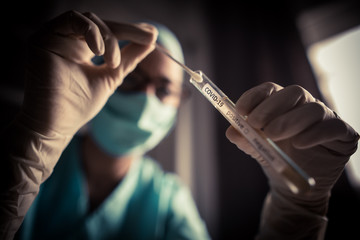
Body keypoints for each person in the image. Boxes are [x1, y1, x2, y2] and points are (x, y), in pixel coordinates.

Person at [0, 10, 358, 240]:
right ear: (97, 84)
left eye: (165, 89)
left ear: (179, 104)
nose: (145, 100)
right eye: (131, 80)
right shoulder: (28, 165)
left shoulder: (168, 202)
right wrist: (35, 139)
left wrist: (297, 213)